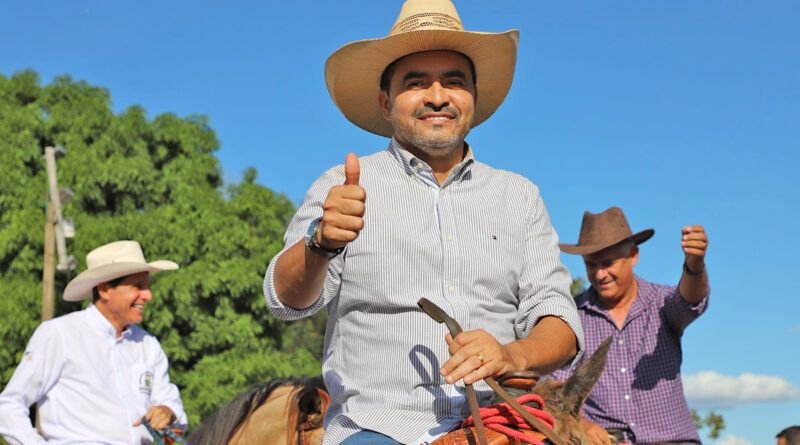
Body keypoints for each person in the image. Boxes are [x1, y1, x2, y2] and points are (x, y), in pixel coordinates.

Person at [263, 0, 584, 443]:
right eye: (416, 83)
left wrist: (511, 355)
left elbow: (559, 320)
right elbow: (287, 300)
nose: (437, 96)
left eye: (454, 82)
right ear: (386, 102)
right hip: (380, 426)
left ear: (473, 97)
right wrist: (320, 244)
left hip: (500, 419)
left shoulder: (518, 196)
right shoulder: (342, 185)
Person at [0, 240, 187, 444]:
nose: (148, 295)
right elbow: (9, 405)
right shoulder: (59, 334)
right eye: (138, 286)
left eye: (147, 286)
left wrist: (167, 412)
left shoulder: (148, 345)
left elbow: (175, 419)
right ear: (105, 289)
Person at [550, 206, 709, 445]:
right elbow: (555, 390)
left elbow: (691, 300)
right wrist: (582, 424)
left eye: (608, 263)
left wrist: (694, 265)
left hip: (671, 440)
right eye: (591, 265)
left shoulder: (660, 302)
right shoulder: (572, 317)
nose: (600, 274)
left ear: (633, 256)